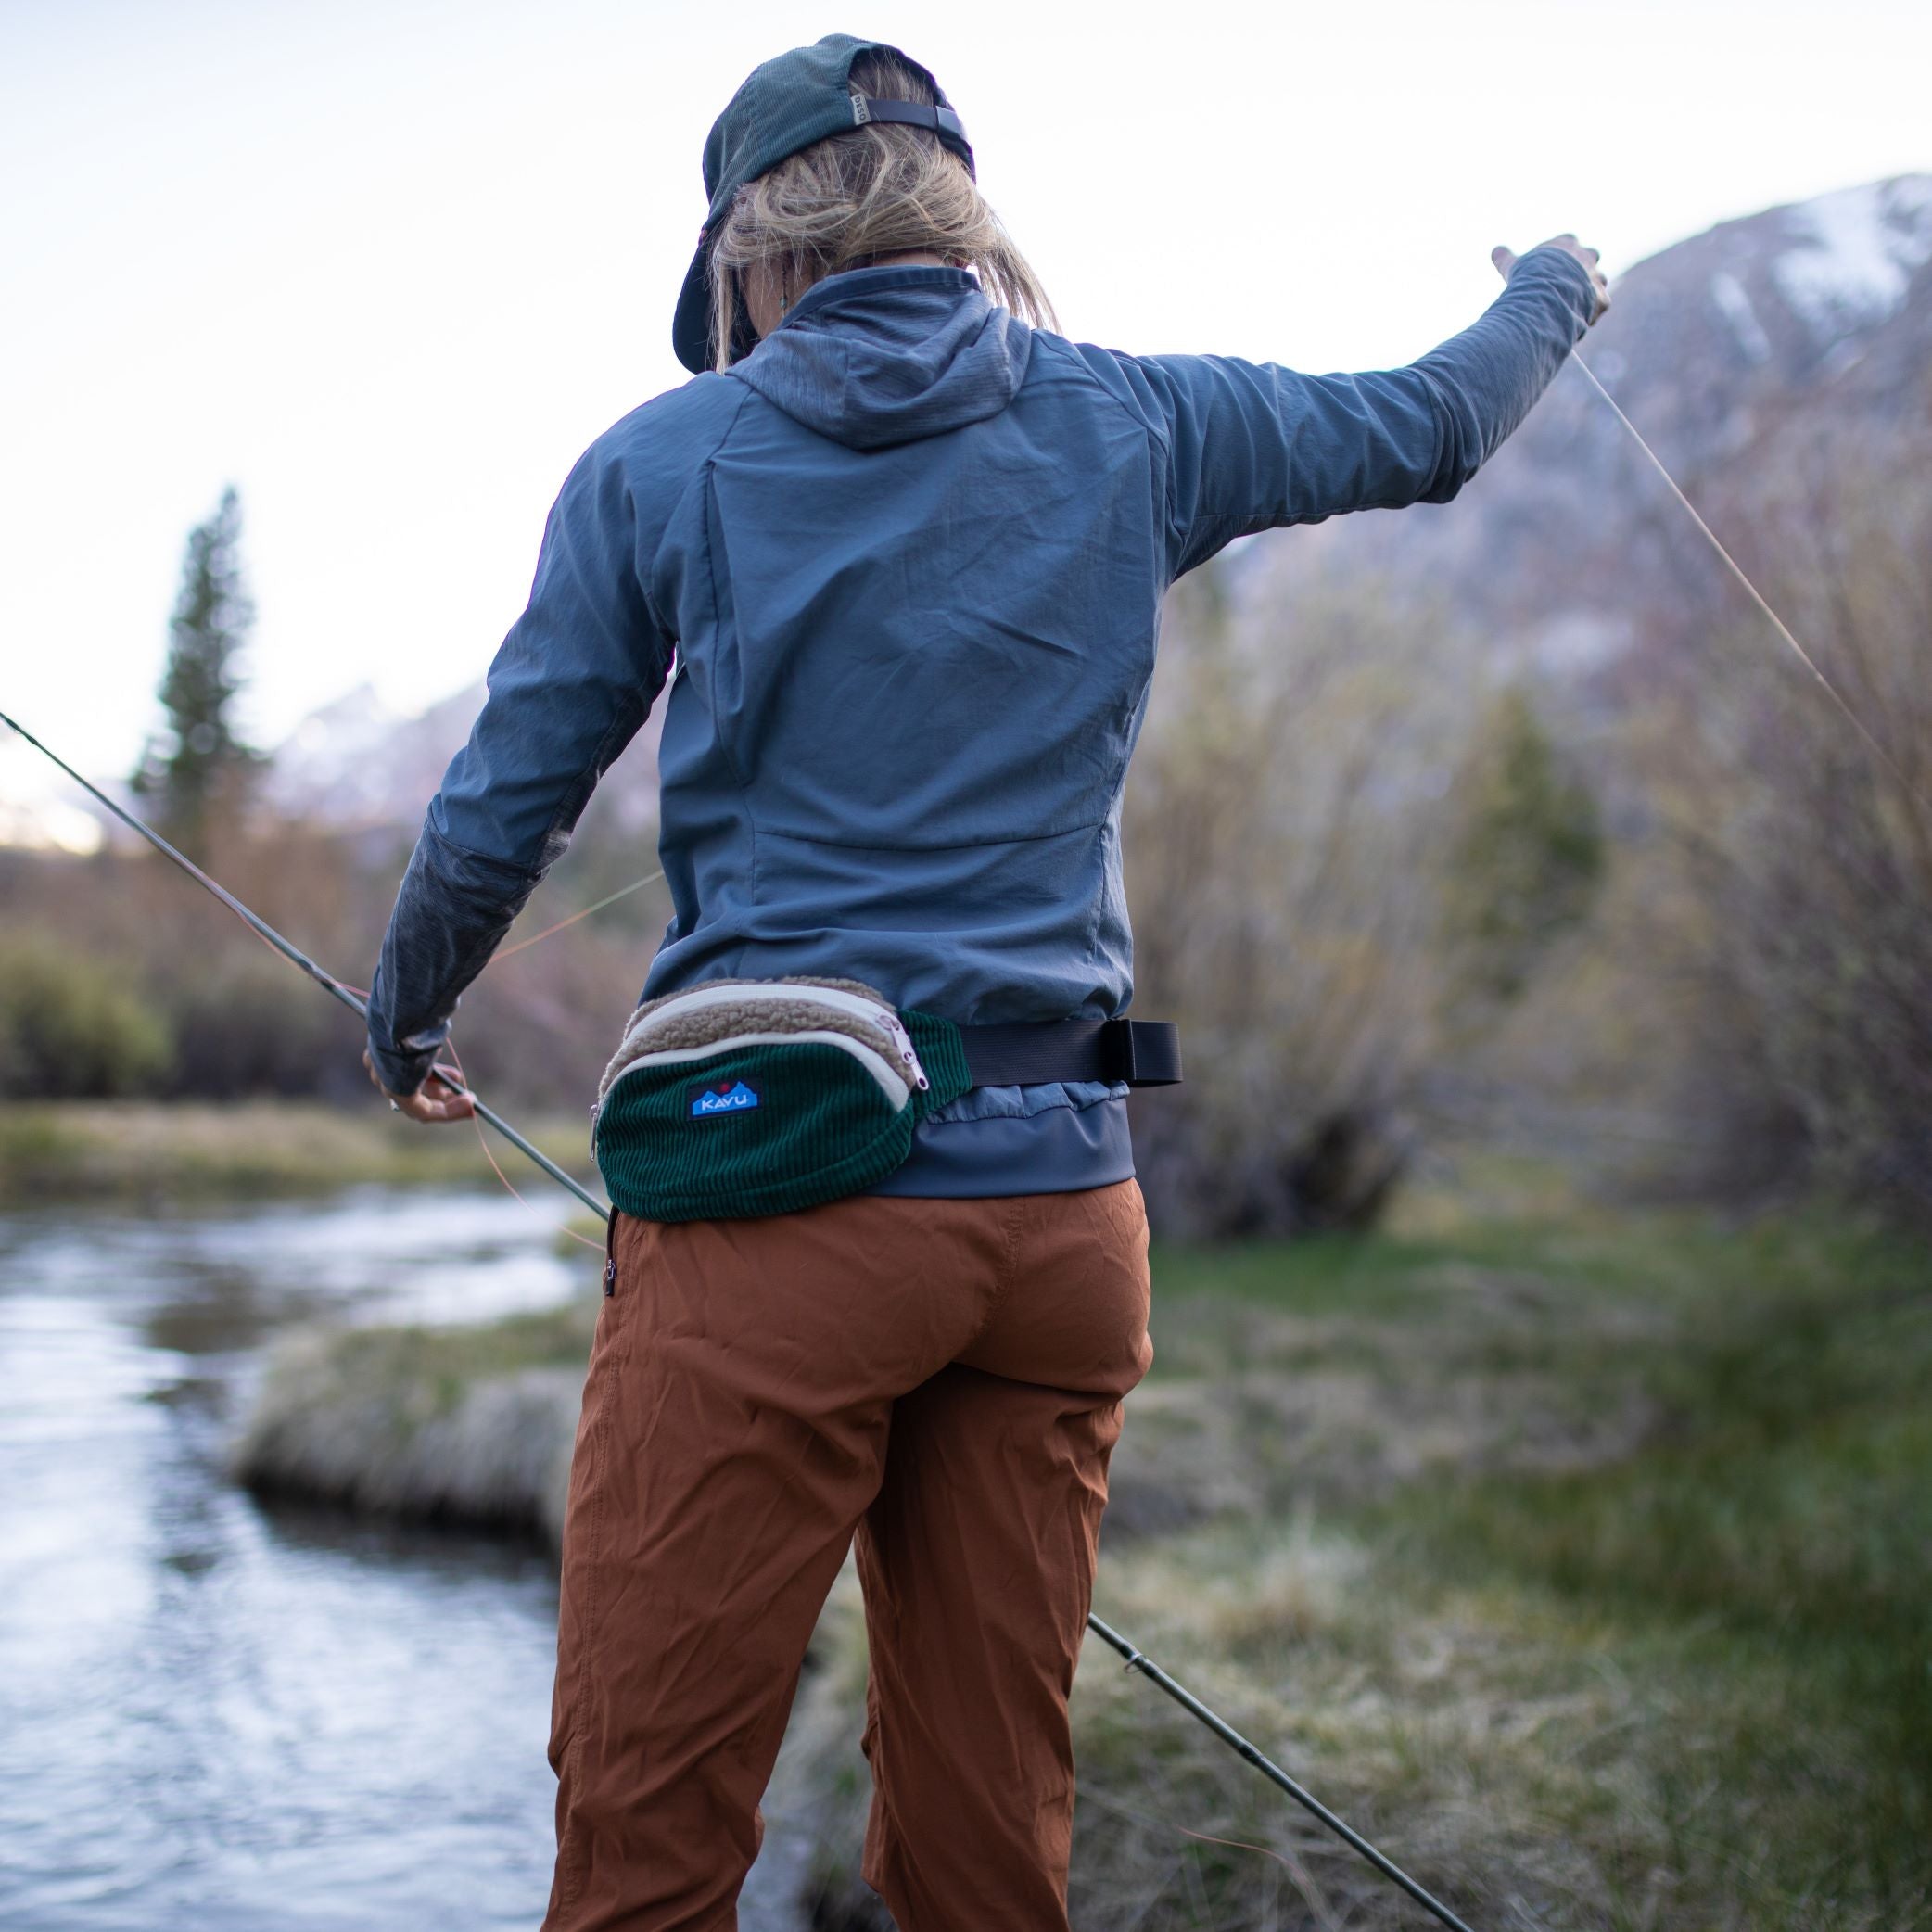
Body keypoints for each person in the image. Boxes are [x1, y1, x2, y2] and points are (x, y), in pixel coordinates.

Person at [362, 31, 1608, 1932]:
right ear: (957, 222)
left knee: (646, 1857)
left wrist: (408, 1013)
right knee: (984, 1856)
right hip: (1056, 1228)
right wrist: (1554, 286)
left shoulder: (663, 459)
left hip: (777, 1218)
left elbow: (496, 818)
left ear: (749, 262)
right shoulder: (1140, 419)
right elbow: (1429, 425)